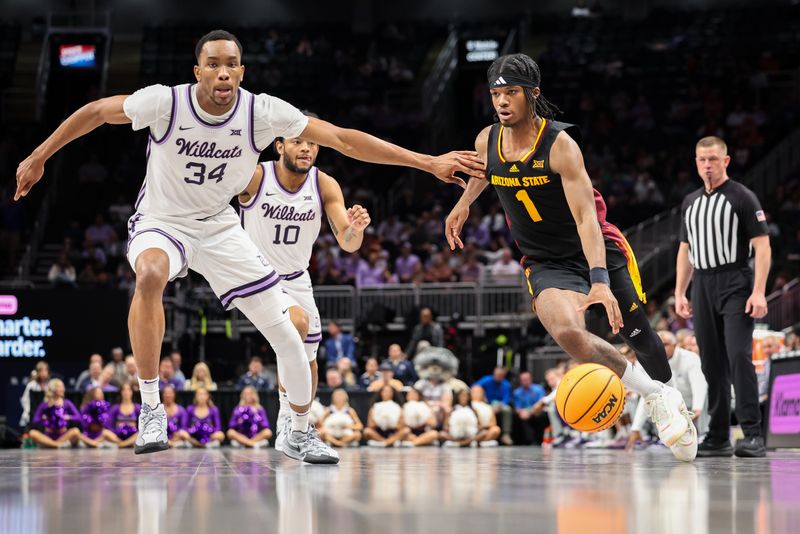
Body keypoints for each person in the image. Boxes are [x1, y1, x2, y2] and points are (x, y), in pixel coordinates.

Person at [14, 29, 482, 458]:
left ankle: (298, 430)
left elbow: (340, 139)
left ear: (241, 70)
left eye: (232, 63)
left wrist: (426, 162)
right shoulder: (165, 103)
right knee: (152, 271)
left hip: (219, 227)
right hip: (163, 221)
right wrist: (38, 156)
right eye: (213, 63)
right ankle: (152, 407)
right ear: (197, 71)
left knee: (288, 332)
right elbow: (97, 112)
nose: (223, 71)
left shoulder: (262, 113)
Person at [444, 53, 696, 461]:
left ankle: (674, 398)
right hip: (546, 262)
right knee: (569, 334)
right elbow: (484, 171)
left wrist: (600, 281)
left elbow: (586, 220)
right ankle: (656, 396)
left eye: (511, 92)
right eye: (495, 93)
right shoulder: (486, 139)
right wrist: (464, 203)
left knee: (638, 334)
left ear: (533, 94)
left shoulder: (560, 146)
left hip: (596, 248)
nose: (502, 101)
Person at [674, 136, 771, 458]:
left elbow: (762, 246)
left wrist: (758, 291)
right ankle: (717, 436)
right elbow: (685, 250)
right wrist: (679, 292)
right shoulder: (690, 202)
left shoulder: (742, 197)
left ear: (726, 161)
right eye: (702, 160)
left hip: (735, 280)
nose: (707, 165)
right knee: (711, 362)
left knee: (738, 355)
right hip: (702, 282)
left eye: (713, 159)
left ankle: (753, 433)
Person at [627, 331, 709, 450]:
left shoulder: (690, 358)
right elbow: (648, 395)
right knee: (647, 400)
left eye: (665, 344)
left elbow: (699, 385)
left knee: (707, 393)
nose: (660, 348)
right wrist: (636, 428)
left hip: (692, 405)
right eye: (657, 344)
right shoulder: (645, 361)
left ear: (675, 345)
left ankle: (704, 433)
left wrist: (697, 409)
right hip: (670, 407)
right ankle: (656, 437)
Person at [28, 379, 94, 448]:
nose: (63, 389)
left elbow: (79, 417)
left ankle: (52, 445)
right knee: (32, 433)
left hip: (63, 435)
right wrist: (44, 418)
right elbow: (35, 419)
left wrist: (68, 417)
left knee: (75, 431)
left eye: (63, 387)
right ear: (53, 389)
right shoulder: (45, 403)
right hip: (48, 435)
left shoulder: (66, 403)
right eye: (60, 387)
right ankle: (56, 445)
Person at [474, 367, 514, 445]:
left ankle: (506, 434)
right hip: (486, 404)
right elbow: (475, 387)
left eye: (501, 375)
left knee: (507, 409)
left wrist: (499, 406)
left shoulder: (506, 384)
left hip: (500, 405)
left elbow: (506, 399)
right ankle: (478, 432)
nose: (498, 376)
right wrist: (482, 396)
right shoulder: (486, 380)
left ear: (503, 376)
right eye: (497, 375)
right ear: (493, 374)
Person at [512, 371, 547, 445]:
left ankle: (539, 440)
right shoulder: (517, 392)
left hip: (537, 412)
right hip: (524, 414)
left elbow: (542, 403)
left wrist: (531, 412)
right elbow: (517, 408)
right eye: (523, 380)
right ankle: (530, 441)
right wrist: (522, 412)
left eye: (527, 379)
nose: (525, 381)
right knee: (520, 418)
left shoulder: (539, 389)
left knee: (541, 415)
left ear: (531, 379)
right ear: (520, 381)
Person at [107, 382, 141, 448]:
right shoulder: (115, 408)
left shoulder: (137, 407)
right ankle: (126, 444)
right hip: (118, 437)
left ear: (132, 392)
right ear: (121, 392)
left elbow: (143, 425)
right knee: (105, 433)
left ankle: (122, 445)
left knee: (141, 433)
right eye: (124, 390)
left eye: (128, 390)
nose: (126, 392)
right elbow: (109, 424)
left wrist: (133, 425)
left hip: (133, 436)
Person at [19, 361, 50, 427]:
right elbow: (25, 400)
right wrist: (28, 412)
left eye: (45, 370)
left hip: (47, 415)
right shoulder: (31, 385)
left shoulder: (50, 385)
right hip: (33, 414)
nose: (44, 373)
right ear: (38, 372)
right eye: (41, 371)